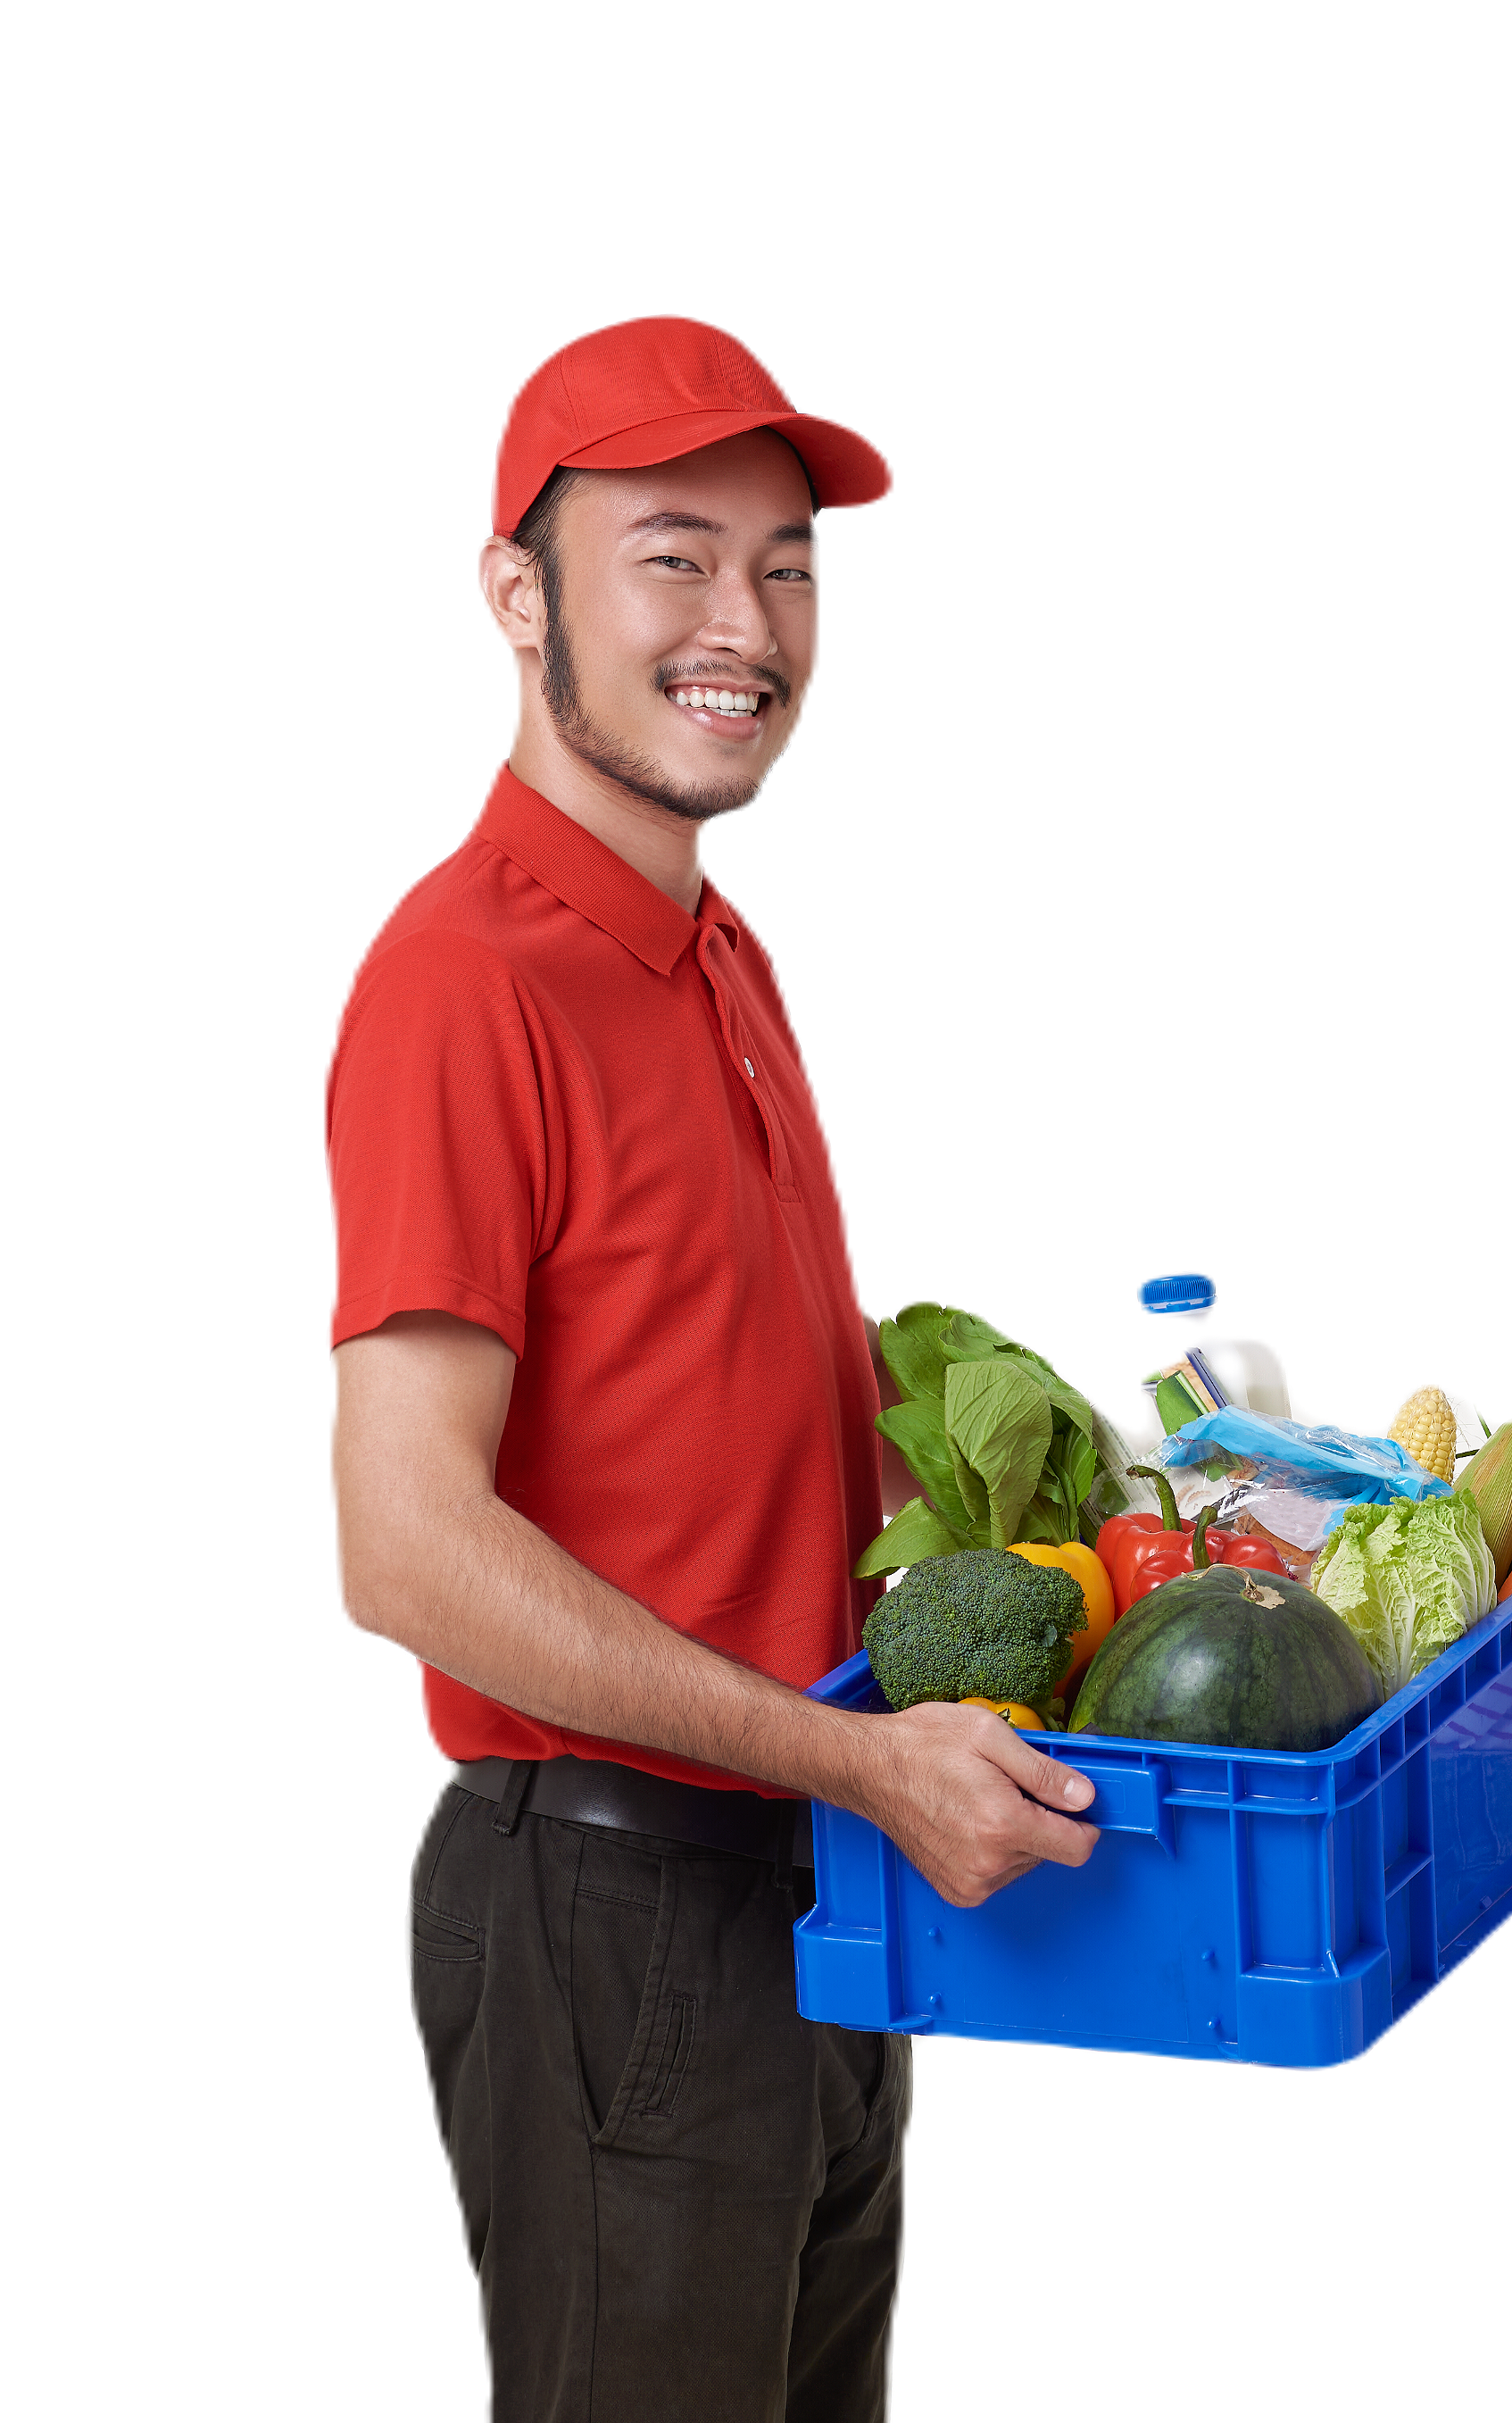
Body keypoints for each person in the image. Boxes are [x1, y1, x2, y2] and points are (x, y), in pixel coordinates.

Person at [324, 313, 1102, 2420]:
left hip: (814, 1884)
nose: (741, 624)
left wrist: (1130, 1505)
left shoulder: (716, 946)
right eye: (672, 556)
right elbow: (399, 1545)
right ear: (515, 591)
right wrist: (849, 1760)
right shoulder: (458, 978)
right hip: (612, 1899)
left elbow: (781, 1408)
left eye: (785, 566)